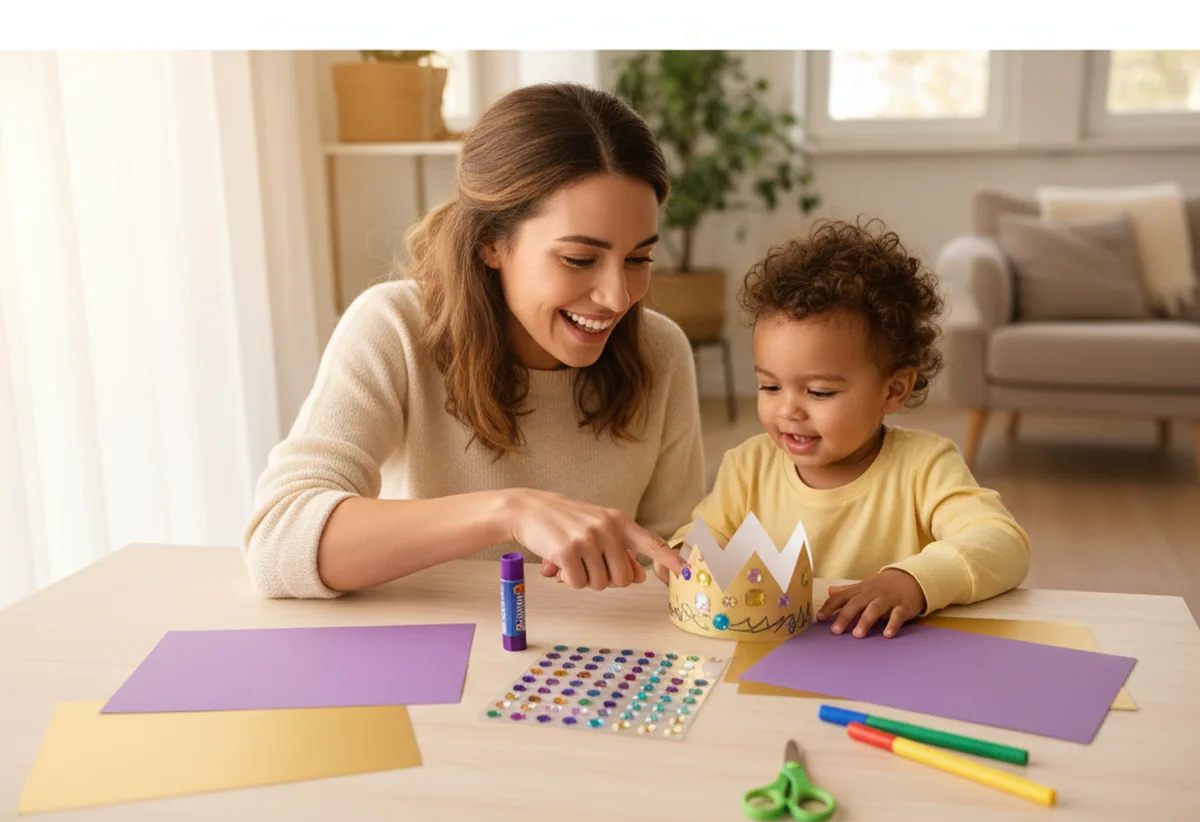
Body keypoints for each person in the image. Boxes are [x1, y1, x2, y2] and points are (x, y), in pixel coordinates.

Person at [244, 82, 704, 599]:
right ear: (491, 242)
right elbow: (278, 543)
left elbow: (674, 560)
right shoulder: (394, 328)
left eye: (639, 259)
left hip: (585, 666)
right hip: (424, 656)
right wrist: (510, 512)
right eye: (579, 259)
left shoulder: (660, 352)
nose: (619, 297)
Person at [665, 219, 1030, 637]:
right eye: (769, 386)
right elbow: (701, 541)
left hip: (885, 663)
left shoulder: (924, 465)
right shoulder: (747, 467)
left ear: (892, 391)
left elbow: (1003, 543)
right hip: (773, 659)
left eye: (819, 392)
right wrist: (680, 555)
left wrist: (913, 581)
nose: (788, 410)